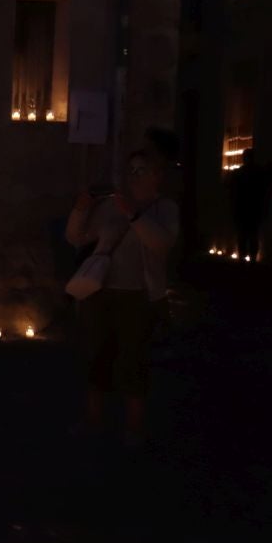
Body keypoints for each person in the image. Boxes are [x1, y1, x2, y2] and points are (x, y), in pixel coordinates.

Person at [66, 143, 179, 446]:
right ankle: (92, 420)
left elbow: (161, 245)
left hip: (138, 297)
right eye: (130, 170)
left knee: (134, 360)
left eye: (141, 170)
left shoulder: (164, 208)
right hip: (101, 293)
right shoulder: (111, 208)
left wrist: (134, 216)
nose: (134, 176)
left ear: (157, 174)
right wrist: (81, 209)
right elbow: (76, 237)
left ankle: (134, 427)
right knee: (97, 357)